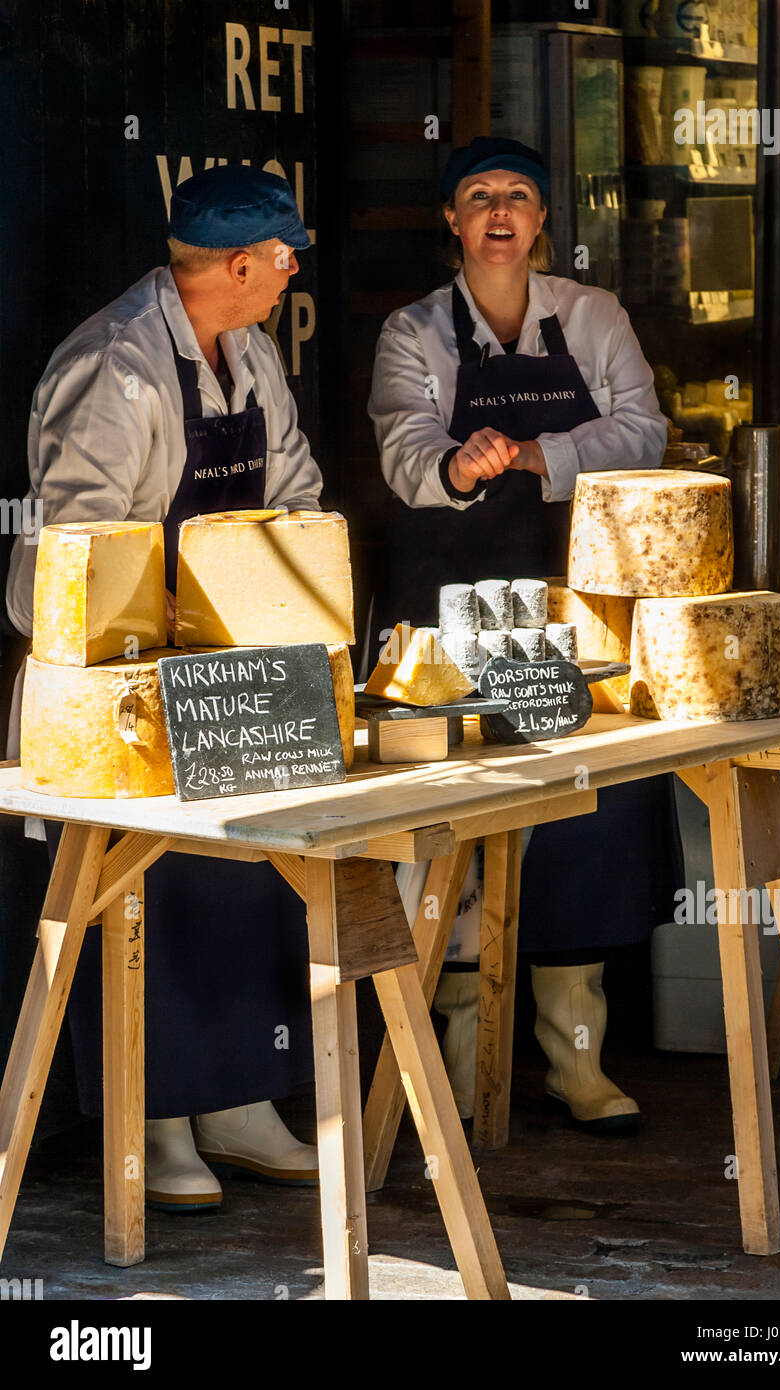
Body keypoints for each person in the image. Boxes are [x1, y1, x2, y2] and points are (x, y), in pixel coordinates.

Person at [5, 165, 323, 1207]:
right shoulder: (115, 370)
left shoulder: (254, 352)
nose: (289, 274)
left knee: (241, 884)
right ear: (238, 264)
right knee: (145, 899)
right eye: (282, 257)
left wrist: (291, 610)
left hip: (228, 680)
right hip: (118, 692)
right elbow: (73, 554)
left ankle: (234, 1100)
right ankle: (155, 1119)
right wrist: (192, 619)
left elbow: (298, 495)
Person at [368, 136, 683, 1131]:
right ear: (452, 222)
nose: (498, 211)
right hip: (450, 607)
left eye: (516, 195)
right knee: (462, 815)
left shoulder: (590, 316)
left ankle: (571, 1053)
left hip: (571, 602)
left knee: (582, 816)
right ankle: (461, 1055)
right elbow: (398, 443)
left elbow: (642, 428)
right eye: (477, 196)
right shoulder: (412, 331)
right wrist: (458, 466)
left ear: (541, 218)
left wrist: (536, 451)